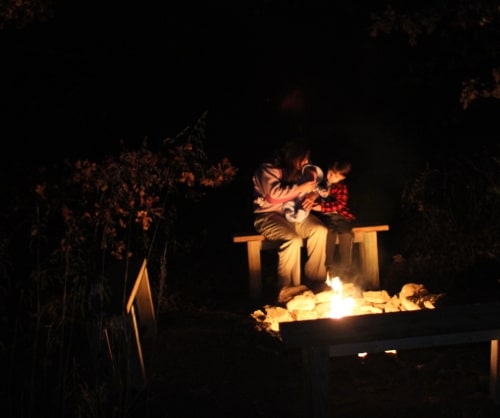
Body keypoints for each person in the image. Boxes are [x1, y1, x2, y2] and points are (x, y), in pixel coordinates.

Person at [252, 139, 328, 303]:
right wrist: (300, 189)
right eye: (304, 158)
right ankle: (285, 287)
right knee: (292, 239)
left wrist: (312, 194)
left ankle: (316, 281)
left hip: (292, 214)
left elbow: (316, 187)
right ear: (294, 157)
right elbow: (272, 196)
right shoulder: (267, 169)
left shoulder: (299, 171)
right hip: (267, 215)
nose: (306, 162)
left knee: (320, 230)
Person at [312, 159, 356, 279]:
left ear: (342, 178)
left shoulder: (341, 187)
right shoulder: (321, 183)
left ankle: (346, 267)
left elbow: (339, 205)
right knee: (329, 233)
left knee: (346, 234)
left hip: (341, 216)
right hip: (327, 218)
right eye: (330, 173)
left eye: (335, 176)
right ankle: (329, 266)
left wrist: (321, 207)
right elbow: (314, 195)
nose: (331, 177)